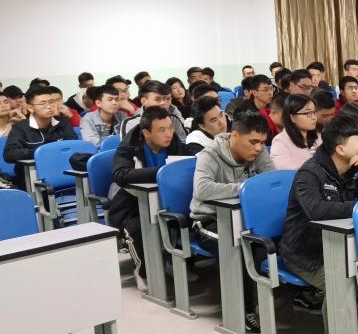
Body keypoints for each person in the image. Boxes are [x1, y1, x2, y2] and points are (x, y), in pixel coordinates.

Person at [279, 115, 358, 334]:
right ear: (340, 149)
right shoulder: (309, 173)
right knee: (340, 279)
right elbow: (316, 210)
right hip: (306, 252)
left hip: (348, 246)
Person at [109, 107, 196, 287]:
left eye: (170, 128)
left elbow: (191, 164)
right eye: (162, 130)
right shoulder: (129, 146)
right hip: (132, 207)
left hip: (167, 203)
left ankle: (174, 264)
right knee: (136, 229)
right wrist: (163, 172)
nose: (169, 134)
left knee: (187, 220)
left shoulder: (174, 143)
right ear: (146, 133)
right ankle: (142, 272)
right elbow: (121, 174)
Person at [189, 111, 275, 258]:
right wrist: (245, 188)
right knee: (249, 248)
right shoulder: (210, 154)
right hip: (211, 221)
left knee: (283, 237)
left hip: (244, 216)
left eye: (262, 142)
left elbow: (271, 181)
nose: (259, 148)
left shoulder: (258, 151)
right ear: (234, 136)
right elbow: (202, 189)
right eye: (253, 142)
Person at [4, 85, 78, 190]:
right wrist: (41, 153)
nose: (49, 106)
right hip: (32, 178)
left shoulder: (62, 123)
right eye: (43, 103)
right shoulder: (21, 128)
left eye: (51, 102)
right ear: (30, 108)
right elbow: (9, 154)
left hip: (61, 171)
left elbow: (74, 145)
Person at [118, 80, 188, 141]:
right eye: (157, 99)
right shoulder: (131, 124)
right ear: (143, 101)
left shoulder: (174, 119)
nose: (163, 102)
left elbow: (183, 145)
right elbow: (129, 150)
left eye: (167, 98)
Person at [270, 94, 321, 170]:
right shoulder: (280, 142)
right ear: (292, 117)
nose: (313, 117)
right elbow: (286, 171)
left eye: (314, 112)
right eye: (308, 113)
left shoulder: (319, 137)